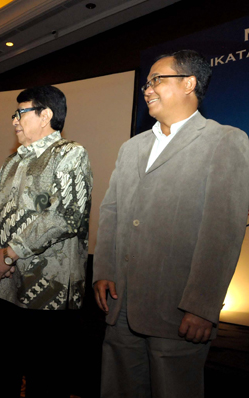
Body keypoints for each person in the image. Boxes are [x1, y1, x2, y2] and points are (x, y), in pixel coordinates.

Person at [93, 50, 249, 398]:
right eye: (147, 83)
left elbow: (222, 232)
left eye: (156, 80)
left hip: (177, 311)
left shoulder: (225, 140)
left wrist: (202, 305)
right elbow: (112, 212)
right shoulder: (131, 148)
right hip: (121, 305)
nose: (147, 89)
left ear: (189, 83)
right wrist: (104, 269)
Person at [0, 85, 93, 397]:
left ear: (46, 115)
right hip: (2, 288)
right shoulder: (10, 162)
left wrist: (10, 252)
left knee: (45, 384)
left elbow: (65, 215)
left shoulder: (70, 154)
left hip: (49, 296)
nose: (14, 121)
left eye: (21, 112)